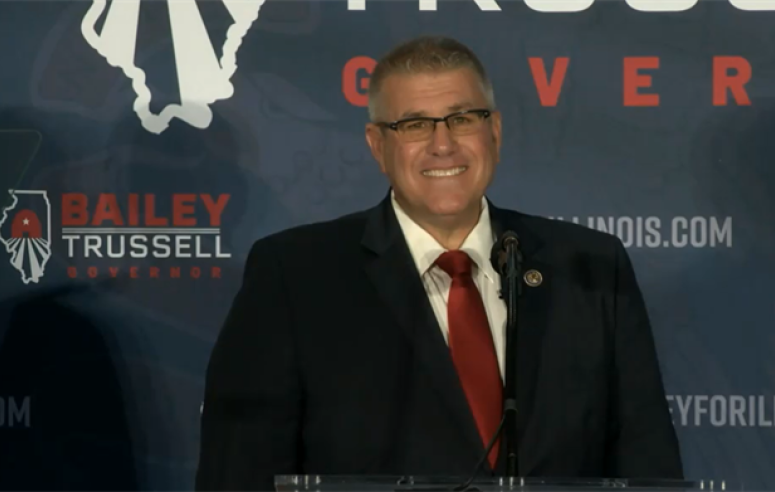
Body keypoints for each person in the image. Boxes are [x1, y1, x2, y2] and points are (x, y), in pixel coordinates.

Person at [195, 35, 682, 492]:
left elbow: (648, 463)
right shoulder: (295, 275)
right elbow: (239, 472)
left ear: (494, 131)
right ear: (377, 145)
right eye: (413, 124)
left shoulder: (591, 265)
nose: (442, 143)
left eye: (462, 118)